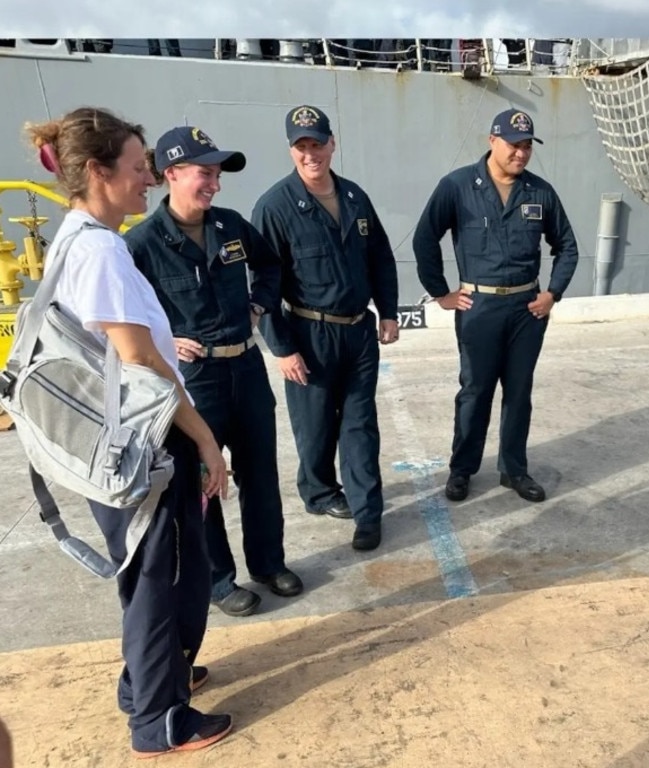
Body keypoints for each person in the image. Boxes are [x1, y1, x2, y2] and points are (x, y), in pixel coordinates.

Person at [25, 107, 232, 756]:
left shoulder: (75, 238)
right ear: (98, 172)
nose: (148, 179)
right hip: (145, 440)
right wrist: (202, 438)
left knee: (162, 572)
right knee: (162, 579)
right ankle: (158, 720)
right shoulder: (103, 250)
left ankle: (151, 677)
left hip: (113, 439)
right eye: (140, 168)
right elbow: (139, 362)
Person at [124, 125, 302, 618]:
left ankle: (268, 564)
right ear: (172, 174)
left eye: (217, 175)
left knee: (260, 476)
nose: (215, 185)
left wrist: (259, 307)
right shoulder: (141, 244)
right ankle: (220, 580)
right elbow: (122, 315)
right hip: (194, 381)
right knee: (205, 479)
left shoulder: (232, 226)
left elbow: (271, 269)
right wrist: (162, 335)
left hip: (245, 367)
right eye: (205, 174)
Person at [252, 105, 399, 552]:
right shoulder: (274, 207)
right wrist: (281, 348)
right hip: (308, 335)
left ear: (332, 143)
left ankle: (366, 512)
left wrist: (388, 311)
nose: (311, 154)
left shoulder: (355, 198)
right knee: (314, 428)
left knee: (359, 424)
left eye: (318, 143)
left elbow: (380, 258)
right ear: (291, 151)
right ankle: (317, 491)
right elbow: (262, 286)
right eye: (302, 146)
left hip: (357, 333)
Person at [412, 109, 579, 503]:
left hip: (527, 310)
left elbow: (568, 247)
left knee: (519, 392)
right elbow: (424, 239)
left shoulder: (540, 192)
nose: (520, 154)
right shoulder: (456, 186)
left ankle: (514, 470)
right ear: (492, 141)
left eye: (526, 147)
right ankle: (461, 470)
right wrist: (441, 293)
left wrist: (552, 293)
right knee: (475, 391)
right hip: (479, 307)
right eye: (513, 145)